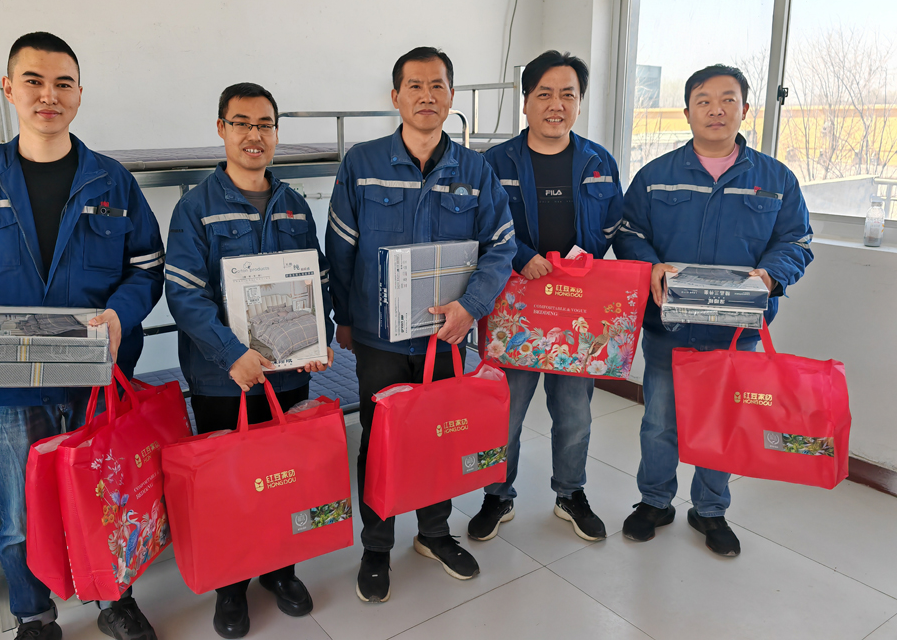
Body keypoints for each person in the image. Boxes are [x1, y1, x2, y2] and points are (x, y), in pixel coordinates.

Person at [0, 32, 165, 640]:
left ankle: (114, 597)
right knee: (15, 512)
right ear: (9, 89)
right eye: (33, 81)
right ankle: (33, 615)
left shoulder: (112, 182)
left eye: (62, 83)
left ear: (80, 94)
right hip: (7, 379)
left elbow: (146, 268)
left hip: (96, 374)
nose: (48, 95)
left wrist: (119, 315)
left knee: (105, 493)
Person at [326, 46, 516, 603]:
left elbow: (501, 247)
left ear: (451, 97)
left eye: (437, 86)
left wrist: (471, 308)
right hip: (380, 339)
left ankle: (434, 533)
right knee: (380, 440)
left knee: (441, 435)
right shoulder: (362, 164)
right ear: (395, 97)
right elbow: (340, 249)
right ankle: (377, 546)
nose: (426, 96)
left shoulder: (476, 171)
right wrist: (344, 318)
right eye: (415, 86)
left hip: (446, 336)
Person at [614, 64, 813, 557]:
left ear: (745, 110)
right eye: (703, 100)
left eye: (728, 100)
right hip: (671, 327)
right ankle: (654, 502)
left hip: (736, 332)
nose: (716, 110)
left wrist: (771, 274)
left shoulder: (775, 179)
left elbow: (797, 240)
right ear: (687, 112)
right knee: (659, 421)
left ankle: (709, 509)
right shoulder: (656, 176)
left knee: (723, 422)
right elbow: (628, 231)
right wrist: (650, 265)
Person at [164, 82, 333, 639]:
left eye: (264, 124)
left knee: (285, 474)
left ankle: (280, 569)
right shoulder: (195, 208)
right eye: (241, 123)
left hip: (287, 374)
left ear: (276, 133)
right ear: (222, 129)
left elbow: (317, 279)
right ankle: (231, 585)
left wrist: (320, 340)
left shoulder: (294, 204)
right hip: (223, 379)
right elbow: (184, 295)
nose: (254, 135)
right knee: (230, 483)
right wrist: (232, 354)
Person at [470, 50, 623, 542]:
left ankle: (570, 493)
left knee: (574, 413)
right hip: (515, 309)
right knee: (506, 411)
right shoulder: (494, 163)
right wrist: (521, 256)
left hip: (577, 310)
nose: (556, 105)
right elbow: (480, 226)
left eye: (568, 95)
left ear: (579, 103)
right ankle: (497, 495)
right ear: (526, 102)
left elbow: (614, 224)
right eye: (545, 94)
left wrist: (587, 261)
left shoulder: (599, 162)